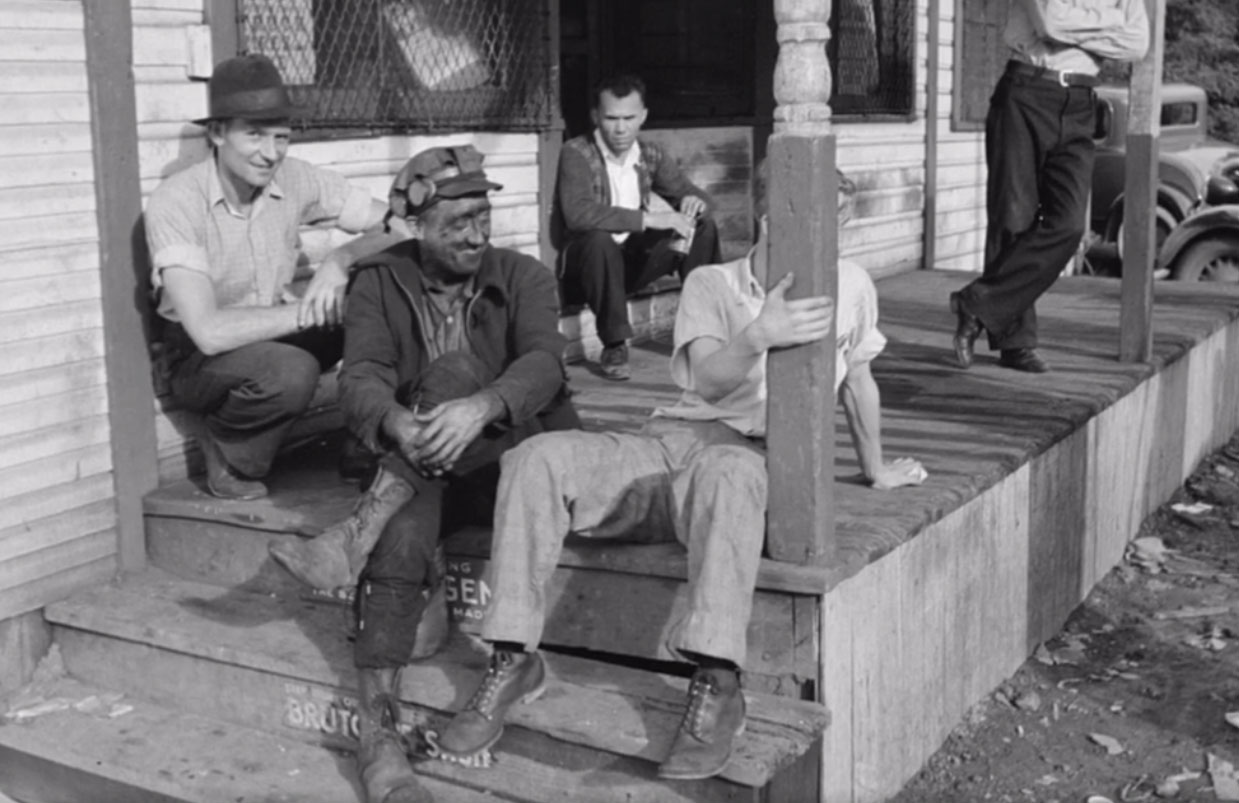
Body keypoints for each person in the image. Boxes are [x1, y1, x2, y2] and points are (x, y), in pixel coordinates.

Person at [434, 165, 927, 781]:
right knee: (537, 456)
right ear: (775, 218)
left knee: (729, 471)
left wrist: (876, 469)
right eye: (820, 220)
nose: (834, 236)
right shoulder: (713, 282)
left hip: (746, 462)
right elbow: (708, 380)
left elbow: (858, 379)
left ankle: (718, 683)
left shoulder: (853, 286)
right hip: (668, 442)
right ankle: (512, 658)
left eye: (841, 220)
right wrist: (759, 335)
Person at [270, 144, 580, 803]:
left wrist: (482, 405)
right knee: (405, 526)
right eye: (457, 221)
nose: (476, 233)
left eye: (483, 214)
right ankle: (379, 733)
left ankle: (355, 530)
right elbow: (360, 380)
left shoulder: (525, 275)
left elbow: (546, 366)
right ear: (414, 226)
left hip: (515, 464)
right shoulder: (380, 282)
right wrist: (396, 422)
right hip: (424, 472)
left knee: (456, 375)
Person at [145, 54, 398, 500]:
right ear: (217, 133)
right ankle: (228, 453)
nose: (270, 152)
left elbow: (399, 226)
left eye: (281, 137)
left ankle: (367, 436)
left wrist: (342, 259)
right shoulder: (176, 201)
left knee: (374, 295)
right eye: (254, 134)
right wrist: (309, 312)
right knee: (291, 370)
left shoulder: (294, 177)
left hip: (271, 329)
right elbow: (208, 332)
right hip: (199, 360)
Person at [950, 0, 1149, 373]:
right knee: (1013, 218)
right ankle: (1016, 344)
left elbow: (1137, 43)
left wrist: (1074, 28)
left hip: (1081, 103)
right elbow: (1051, 23)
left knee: (1069, 225)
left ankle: (977, 303)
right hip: (1026, 91)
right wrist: (1108, 25)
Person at [557, 73, 722, 381]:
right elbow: (578, 214)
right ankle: (615, 344)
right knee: (598, 239)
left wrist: (694, 204)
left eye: (629, 118)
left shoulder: (649, 153)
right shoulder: (576, 153)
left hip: (629, 265)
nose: (621, 128)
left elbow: (696, 194)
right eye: (611, 118)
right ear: (596, 116)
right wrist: (649, 219)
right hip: (587, 270)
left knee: (703, 227)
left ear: (643, 116)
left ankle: (705, 330)